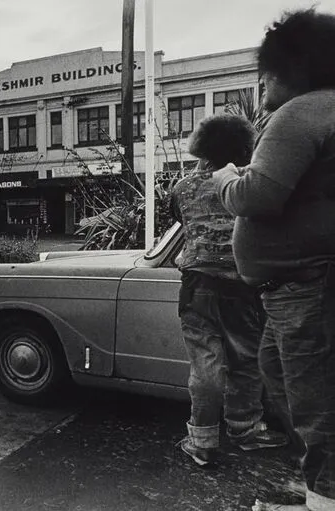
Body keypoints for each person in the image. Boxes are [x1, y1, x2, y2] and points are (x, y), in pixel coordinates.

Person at [212, 9, 335, 511]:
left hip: (307, 285)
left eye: (267, 70)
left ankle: (323, 501)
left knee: (316, 404)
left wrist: (225, 180)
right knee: (278, 373)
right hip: (303, 284)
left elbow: (258, 196)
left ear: (292, 66)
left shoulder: (302, 112)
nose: (260, 81)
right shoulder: (323, 111)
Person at [171, 114, 288, 468]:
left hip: (197, 286)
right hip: (242, 286)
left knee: (205, 364)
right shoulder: (249, 184)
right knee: (245, 361)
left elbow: (181, 220)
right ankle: (245, 429)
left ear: (201, 149)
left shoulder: (183, 188)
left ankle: (202, 441)